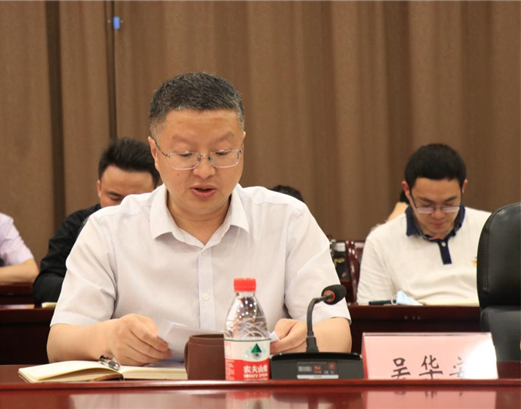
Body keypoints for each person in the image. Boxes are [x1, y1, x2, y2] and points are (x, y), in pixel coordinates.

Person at [47, 72, 351, 365]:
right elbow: (59, 344)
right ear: (155, 153)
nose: (204, 171)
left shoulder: (288, 220)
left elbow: (336, 332)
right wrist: (107, 338)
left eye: (222, 152)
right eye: (184, 155)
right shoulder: (108, 230)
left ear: (242, 147)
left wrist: (306, 340)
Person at [356, 144, 490, 305]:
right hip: (415, 320)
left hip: (482, 319)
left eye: (449, 204)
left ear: (463, 188)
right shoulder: (380, 240)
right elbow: (373, 310)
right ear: (407, 190)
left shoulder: (491, 229)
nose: (438, 215)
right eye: (426, 205)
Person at [33, 137, 160, 304]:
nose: (124, 207)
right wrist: (94, 291)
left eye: (136, 199)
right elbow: (45, 284)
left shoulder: (169, 226)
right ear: (99, 188)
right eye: (115, 198)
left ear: (155, 192)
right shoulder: (77, 225)